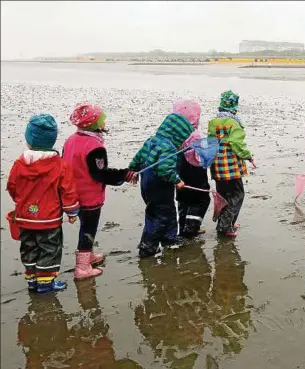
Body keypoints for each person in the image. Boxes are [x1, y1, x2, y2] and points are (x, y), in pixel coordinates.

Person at [7, 114, 80, 293]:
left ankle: (32, 280)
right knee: (50, 249)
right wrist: (72, 212)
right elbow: (68, 191)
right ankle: (45, 284)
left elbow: (12, 186)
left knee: (28, 246)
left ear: (28, 139)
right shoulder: (60, 165)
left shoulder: (19, 163)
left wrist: (20, 201)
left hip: (25, 217)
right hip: (49, 219)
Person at [63, 104, 136, 279]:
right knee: (88, 229)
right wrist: (124, 175)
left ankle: (88, 256)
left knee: (85, 225)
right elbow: (100, 174)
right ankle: (82, 267)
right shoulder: (95, 147)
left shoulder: (70, 140)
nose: (105, 122)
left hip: (72, 194)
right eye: (102, 120)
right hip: (89, 197)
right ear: (95, 124)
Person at [129, 113, 194, 258]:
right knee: (160, 215)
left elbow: (138, 157)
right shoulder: (170, 148)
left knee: (168, 211)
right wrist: (177, 180)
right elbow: (165, 170)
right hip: (158, 186)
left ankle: (169, 238)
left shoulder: (151, 140)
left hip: (146, 184)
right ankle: (148, 246)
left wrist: (132, 169)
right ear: (178, 135)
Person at [208, 90, 255, 237]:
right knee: (237, 194)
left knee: (223, 195)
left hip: (216, 165)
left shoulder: (213, 121)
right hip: (230, 166)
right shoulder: (234, 122)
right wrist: (248, 156)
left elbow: (210, 141)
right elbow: (236, 143)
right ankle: (225, 226)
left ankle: (225, 223)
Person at [173, 100, 211, 238]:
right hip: (195, 172)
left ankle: (183, 227)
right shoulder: (194, 135)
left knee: (183, 199)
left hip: (179, 172)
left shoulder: (174, 134)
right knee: (202, 199)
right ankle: (191, 227)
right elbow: (200, 156)